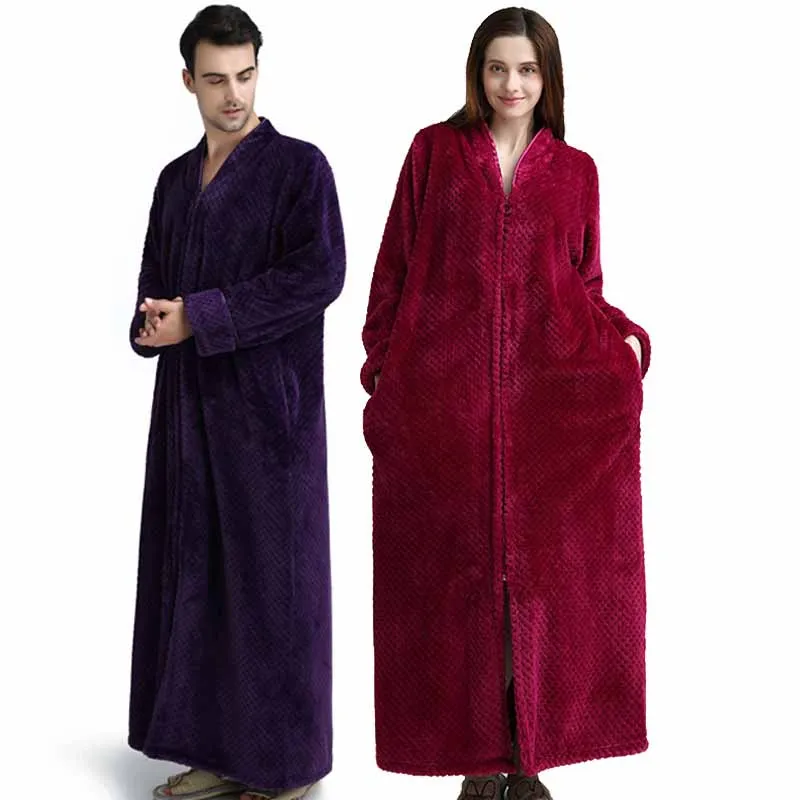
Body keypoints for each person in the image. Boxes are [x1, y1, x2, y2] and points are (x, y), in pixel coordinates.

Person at [360, 7, 650, 799]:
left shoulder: (577, 170)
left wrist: (624, 347)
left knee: (543, 593)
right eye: (497, 69)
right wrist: (384, 375)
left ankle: (527, 761)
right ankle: (475, 764)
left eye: (526, 70)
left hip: (549, 422)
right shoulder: (434, 152)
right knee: (456, 600)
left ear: (547, 77)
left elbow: (584, 285)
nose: (511, 84)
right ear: (477, 73)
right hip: (441, 419)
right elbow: (392, 273)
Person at [127, 6, 345, 800]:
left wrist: (202, 315)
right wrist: (152, 326)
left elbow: (318, 275)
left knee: (272, 594)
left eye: (245, 76)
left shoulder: (299, 168)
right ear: (188, 80)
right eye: (216, 79)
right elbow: (153, 286)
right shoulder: (173, 181)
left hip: (268, 422)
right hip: (187, 419)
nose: (233, 95)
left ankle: (283, 769)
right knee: (195, 586)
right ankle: (214, 755)